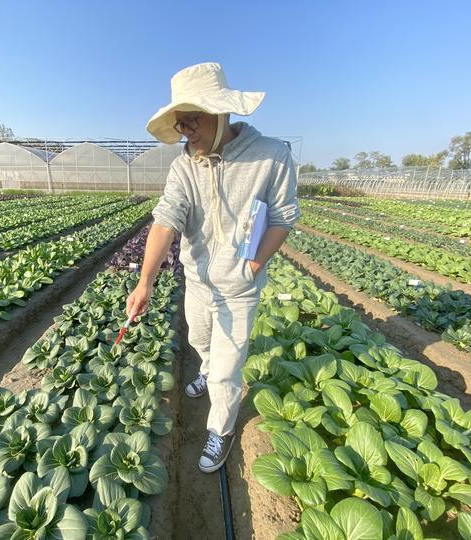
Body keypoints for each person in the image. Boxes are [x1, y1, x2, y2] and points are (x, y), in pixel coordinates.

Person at [125, 62, 300, 473]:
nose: (186, 130)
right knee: (200, 344)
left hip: (239, 288)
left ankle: (221, 429)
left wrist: (252, 265)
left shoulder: (271, 156)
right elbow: (166, 219)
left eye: (192, 119)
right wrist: (145, 281)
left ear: (221, 111)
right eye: (180, 123)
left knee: (226, 372)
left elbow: (282, 217)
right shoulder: (184, 166)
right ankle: (206, 370)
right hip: (198, 282)